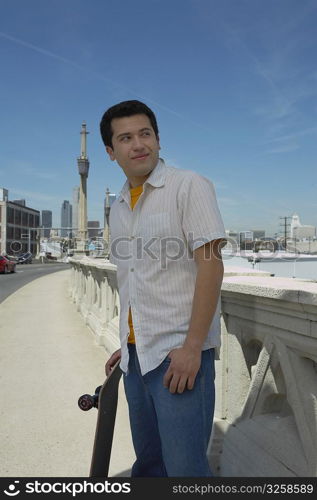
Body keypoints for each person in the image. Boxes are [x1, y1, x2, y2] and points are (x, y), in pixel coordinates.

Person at [99, 100, 226, 477]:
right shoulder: (119, 206)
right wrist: (126, 341)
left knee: (186, 470)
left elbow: (211, 266)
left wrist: (192, 348)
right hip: (136, 358)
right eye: (125, 138)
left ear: (158, 139)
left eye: (145, 134)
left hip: (178, 357)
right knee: (150, 464)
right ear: (111, 151)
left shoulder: (189, 186)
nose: (138, 144)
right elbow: (133, 279)